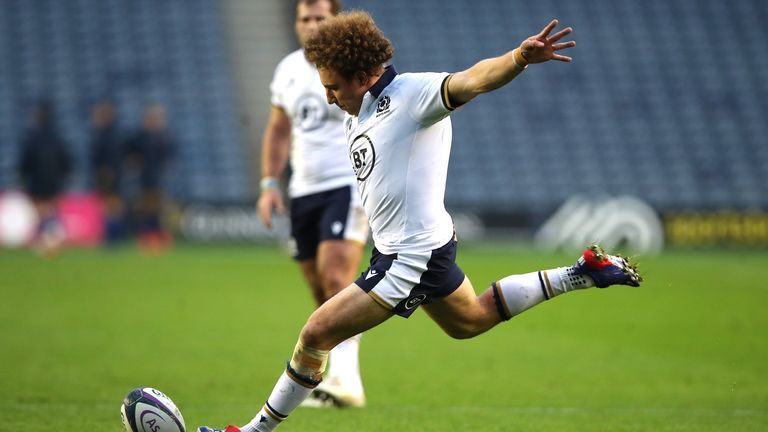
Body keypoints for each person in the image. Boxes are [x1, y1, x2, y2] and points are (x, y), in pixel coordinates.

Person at [199, 12, 642, 432]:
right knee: (471, 320)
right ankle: (580, 272)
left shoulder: (412, 95)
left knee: (316, 332)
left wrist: (518, 58)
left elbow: (472, 79)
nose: (330, 98)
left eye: (333, 87)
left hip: (409, 256)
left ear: (362, 75)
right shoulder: (360, 113)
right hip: (424, 244)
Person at [256, 0, 369, 407]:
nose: (311, 25)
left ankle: (349, 381)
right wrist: (270, 183)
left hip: (350, 183)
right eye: (305, 18)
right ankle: (328, 380)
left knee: (337, 278)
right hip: (303, 190)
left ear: (335, 21)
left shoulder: (355, 67)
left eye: (320, 18)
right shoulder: (288, 70)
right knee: (321, 291)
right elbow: (278, 131)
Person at [18, 102, 72, 254]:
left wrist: (23, 177)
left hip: (37, 181)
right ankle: (54, 239)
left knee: (41, 211)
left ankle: (45, 241)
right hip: (54, 181)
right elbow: (66, 162)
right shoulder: (58, 138)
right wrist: (63, 175)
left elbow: (25, 162)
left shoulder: (32, 138)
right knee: (52, 210)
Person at [124, 103, 175, 251]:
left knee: (158, 209)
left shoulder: (163, 137)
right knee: (145, 209)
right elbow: (126, 152)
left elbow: (170, 156)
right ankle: (146, 238)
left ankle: (159, 238)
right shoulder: (139, 137)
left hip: (158, 179)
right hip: (144, 179)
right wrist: (132, 163)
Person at [89, 100, 125, 245]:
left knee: (110, 205)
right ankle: (113, 236)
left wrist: (105, 172)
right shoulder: (111, 133)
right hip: (113, 173)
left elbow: (106, 156)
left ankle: (113, 236)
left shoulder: (106, 135)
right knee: (111, 205)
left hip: (108, 174)